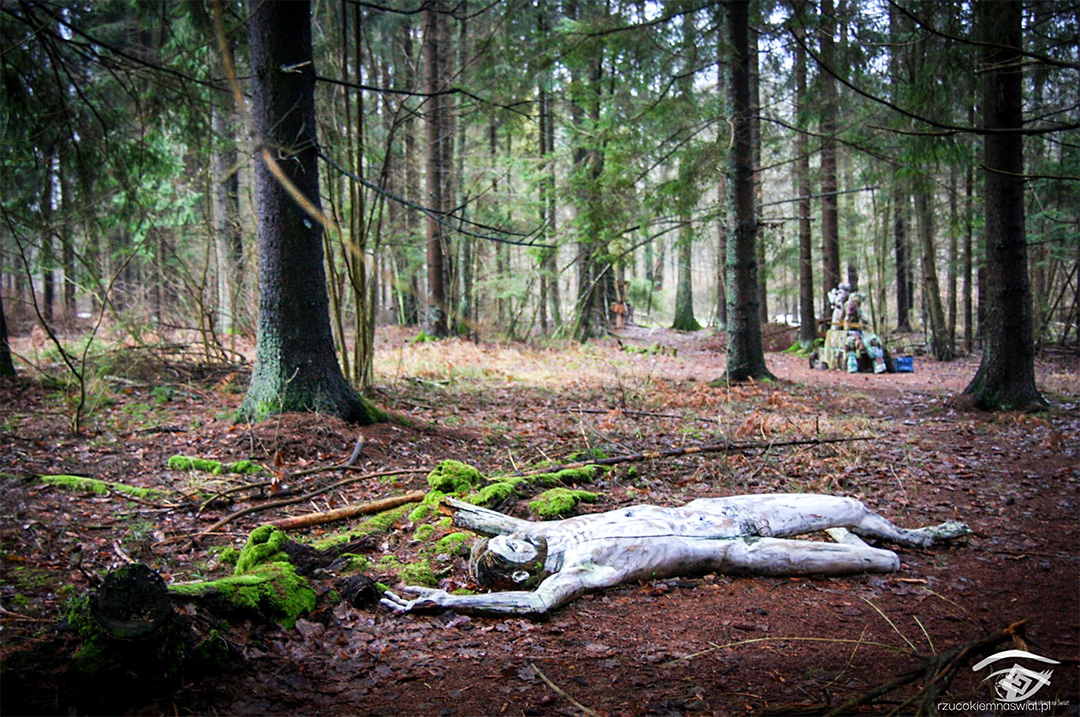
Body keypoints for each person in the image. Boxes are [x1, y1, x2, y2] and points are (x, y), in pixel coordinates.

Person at [380, 494, 970, 617]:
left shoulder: (547, 530)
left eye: (510, 536)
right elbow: (533, 607)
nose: (517, 536)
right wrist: (444, 600)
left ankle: (915, 535)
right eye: (512, 548)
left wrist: (461, 511)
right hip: (735, 549)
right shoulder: (569, 572)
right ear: (520, 567)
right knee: (875, 565)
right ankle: (884, 551)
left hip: (716, 508)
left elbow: (498, 520)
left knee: (846, 504)